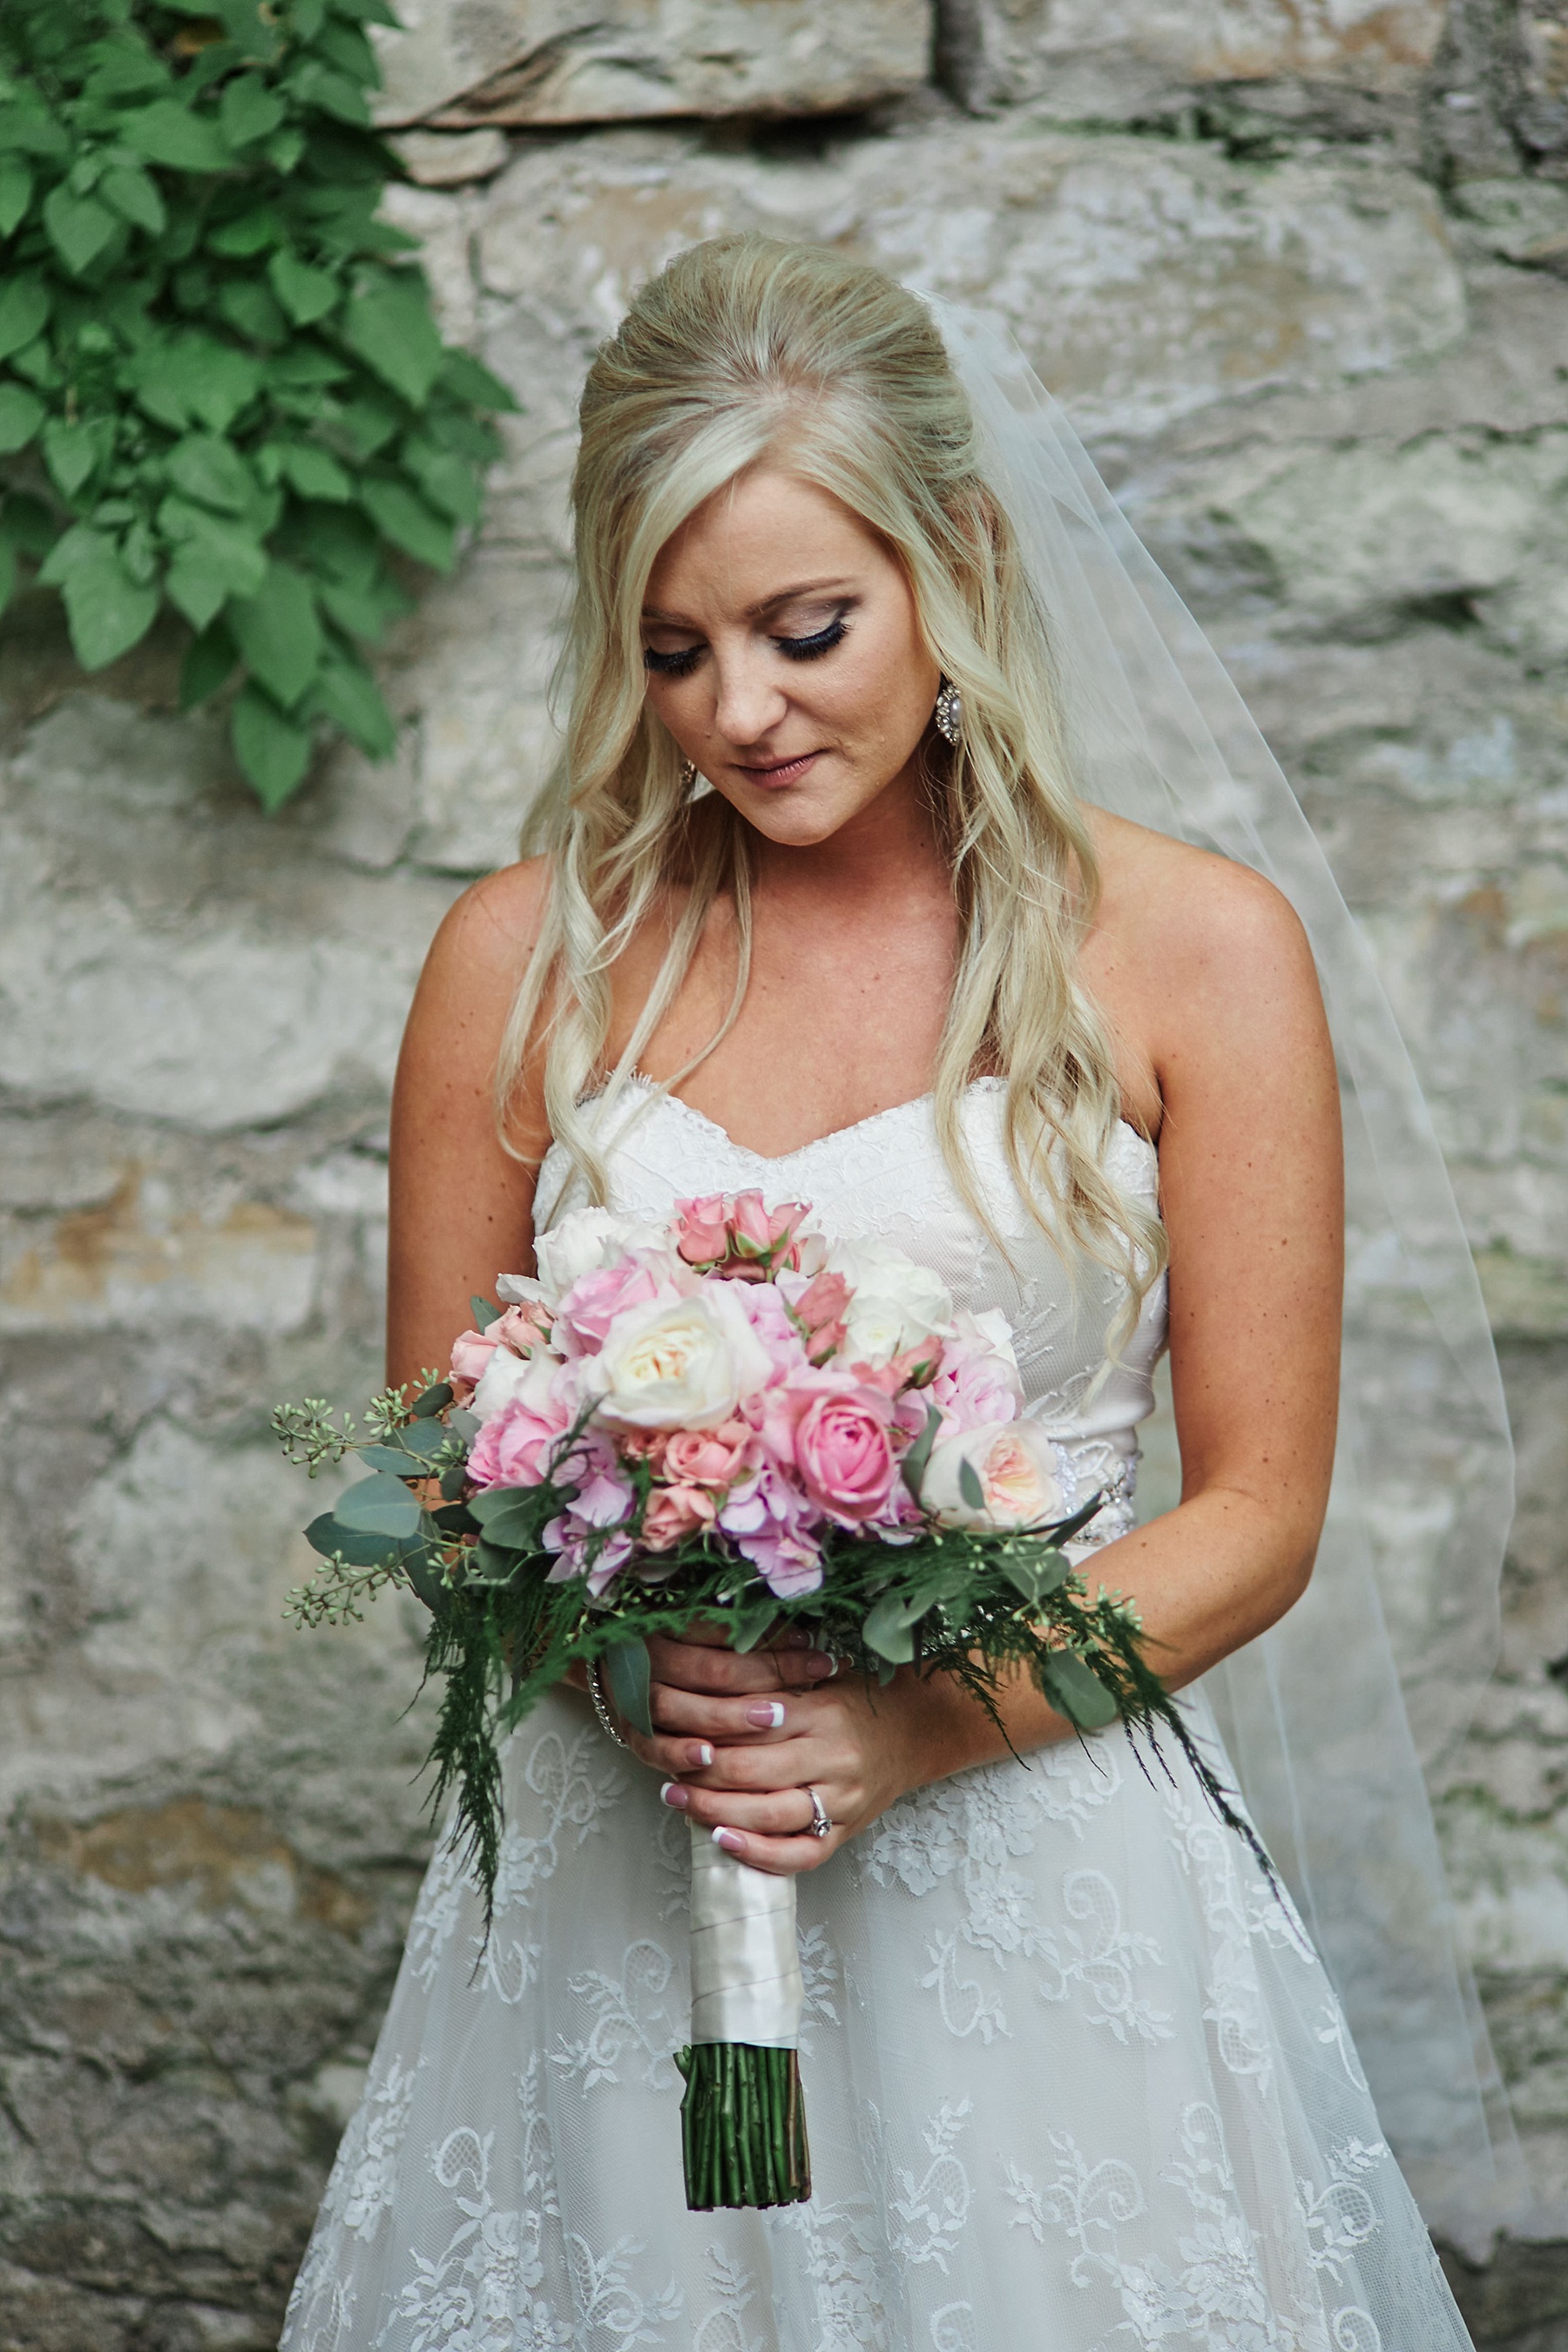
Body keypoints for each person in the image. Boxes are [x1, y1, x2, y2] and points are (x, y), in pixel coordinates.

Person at [280, 234, 1485, 2349]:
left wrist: (910, 1732)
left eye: (804, 628)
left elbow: (1260, 1513)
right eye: (671, 651)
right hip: (621, 1880)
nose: (738, 712)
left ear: (963, 558)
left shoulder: (1197, 954)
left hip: (1038, 1867)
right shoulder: (518, 961)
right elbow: (427, 1470)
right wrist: (644, 1681)